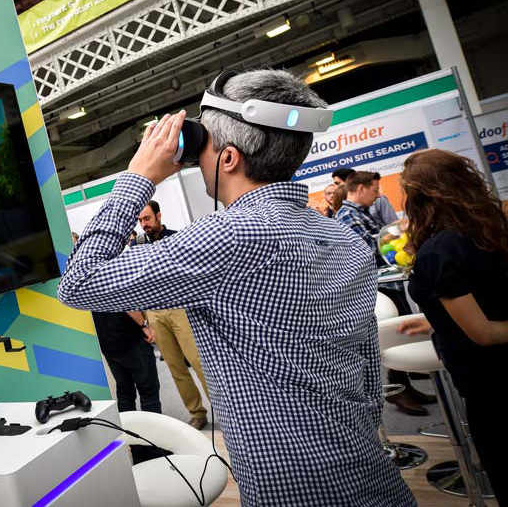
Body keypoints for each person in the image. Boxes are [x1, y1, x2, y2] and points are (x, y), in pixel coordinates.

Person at [59, 70, 413, 506]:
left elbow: (79, 282)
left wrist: (138, 177)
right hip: (370, 470)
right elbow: (368, 368)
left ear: (228, 158)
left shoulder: (232, 235)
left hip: (293, 488)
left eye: (203, 142)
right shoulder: (342, 237)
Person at [396, 149, 508, 503]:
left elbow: (483, 333)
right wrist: (435, 318)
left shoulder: (439, 250)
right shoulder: (490, 227)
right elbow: (487, 294)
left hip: (490, 383)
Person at [336, 171, 435, 415]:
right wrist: (398, 237)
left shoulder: (359, 213)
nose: (378, 195)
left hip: (388, 284)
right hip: (379, 287)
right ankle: (398, 389)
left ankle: (404, 386)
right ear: (360, 188)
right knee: (397, 335)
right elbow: (371, 249)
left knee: (403, 332)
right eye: (374, 190)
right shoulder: (348, 216)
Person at [136, 201, 211, 430]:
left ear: (158, 216)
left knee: (198, 361)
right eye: (140, 220)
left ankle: (225, 409)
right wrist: (145, 319)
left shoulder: (178, 238)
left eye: (147, 219)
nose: (144, 224)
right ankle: (196, 412)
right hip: (154, 311)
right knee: (175, 366)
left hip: (180, 309)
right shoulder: (138, 246)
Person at [76, 229, 163, 414]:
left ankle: (129, 432)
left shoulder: (83, 275)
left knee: (125, 393)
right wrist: (144, 326)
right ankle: (151, 433)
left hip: (108, 345)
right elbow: (127, 305)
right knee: (149, 392)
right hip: (130, 341)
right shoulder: (108, 268)